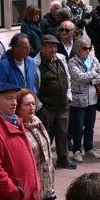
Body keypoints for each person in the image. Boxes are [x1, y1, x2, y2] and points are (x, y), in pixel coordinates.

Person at [15, 89, 55, 200]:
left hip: (46, 180)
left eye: (33, 104)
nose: (32, 108)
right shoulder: (17, 127)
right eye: (27, 105)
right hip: (30, 183)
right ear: (18, 108)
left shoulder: (37, 121)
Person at [34, 34, 74, 169]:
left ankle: (63, 159)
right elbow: (32, 87)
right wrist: (40, 107)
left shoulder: (61, 59)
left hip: (63, 105)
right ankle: (43, 161)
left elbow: (67, 79)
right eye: (50, 47)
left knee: (63, 134)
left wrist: (68, 97)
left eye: (55, 46)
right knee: (43, 136)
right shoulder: (35, 64)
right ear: (42, 48)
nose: (53, 50)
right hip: (46, 107)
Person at [67, 36, 100, 162]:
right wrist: (94, 74)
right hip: (79, 100)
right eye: (85, 48)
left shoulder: (93, 59)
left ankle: (89, 147)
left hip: (93, 99)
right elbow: (78, 76)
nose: (88, 51)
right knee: (78, 127)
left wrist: (93, 79)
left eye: (90, 48)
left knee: (90, 126)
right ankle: (77, 150)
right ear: (78, 49)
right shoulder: (72, 62)